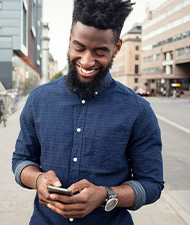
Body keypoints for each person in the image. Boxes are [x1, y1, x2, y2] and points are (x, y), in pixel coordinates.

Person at [12, 0, 164, 224]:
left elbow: (151, 184)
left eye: (100, 52)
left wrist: (105, 195)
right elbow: (21, 161)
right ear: (70, 39)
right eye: (79, 47)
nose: (86, 61)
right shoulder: (38, 99)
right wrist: (38, 179)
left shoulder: (138, 110)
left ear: (117, 48)